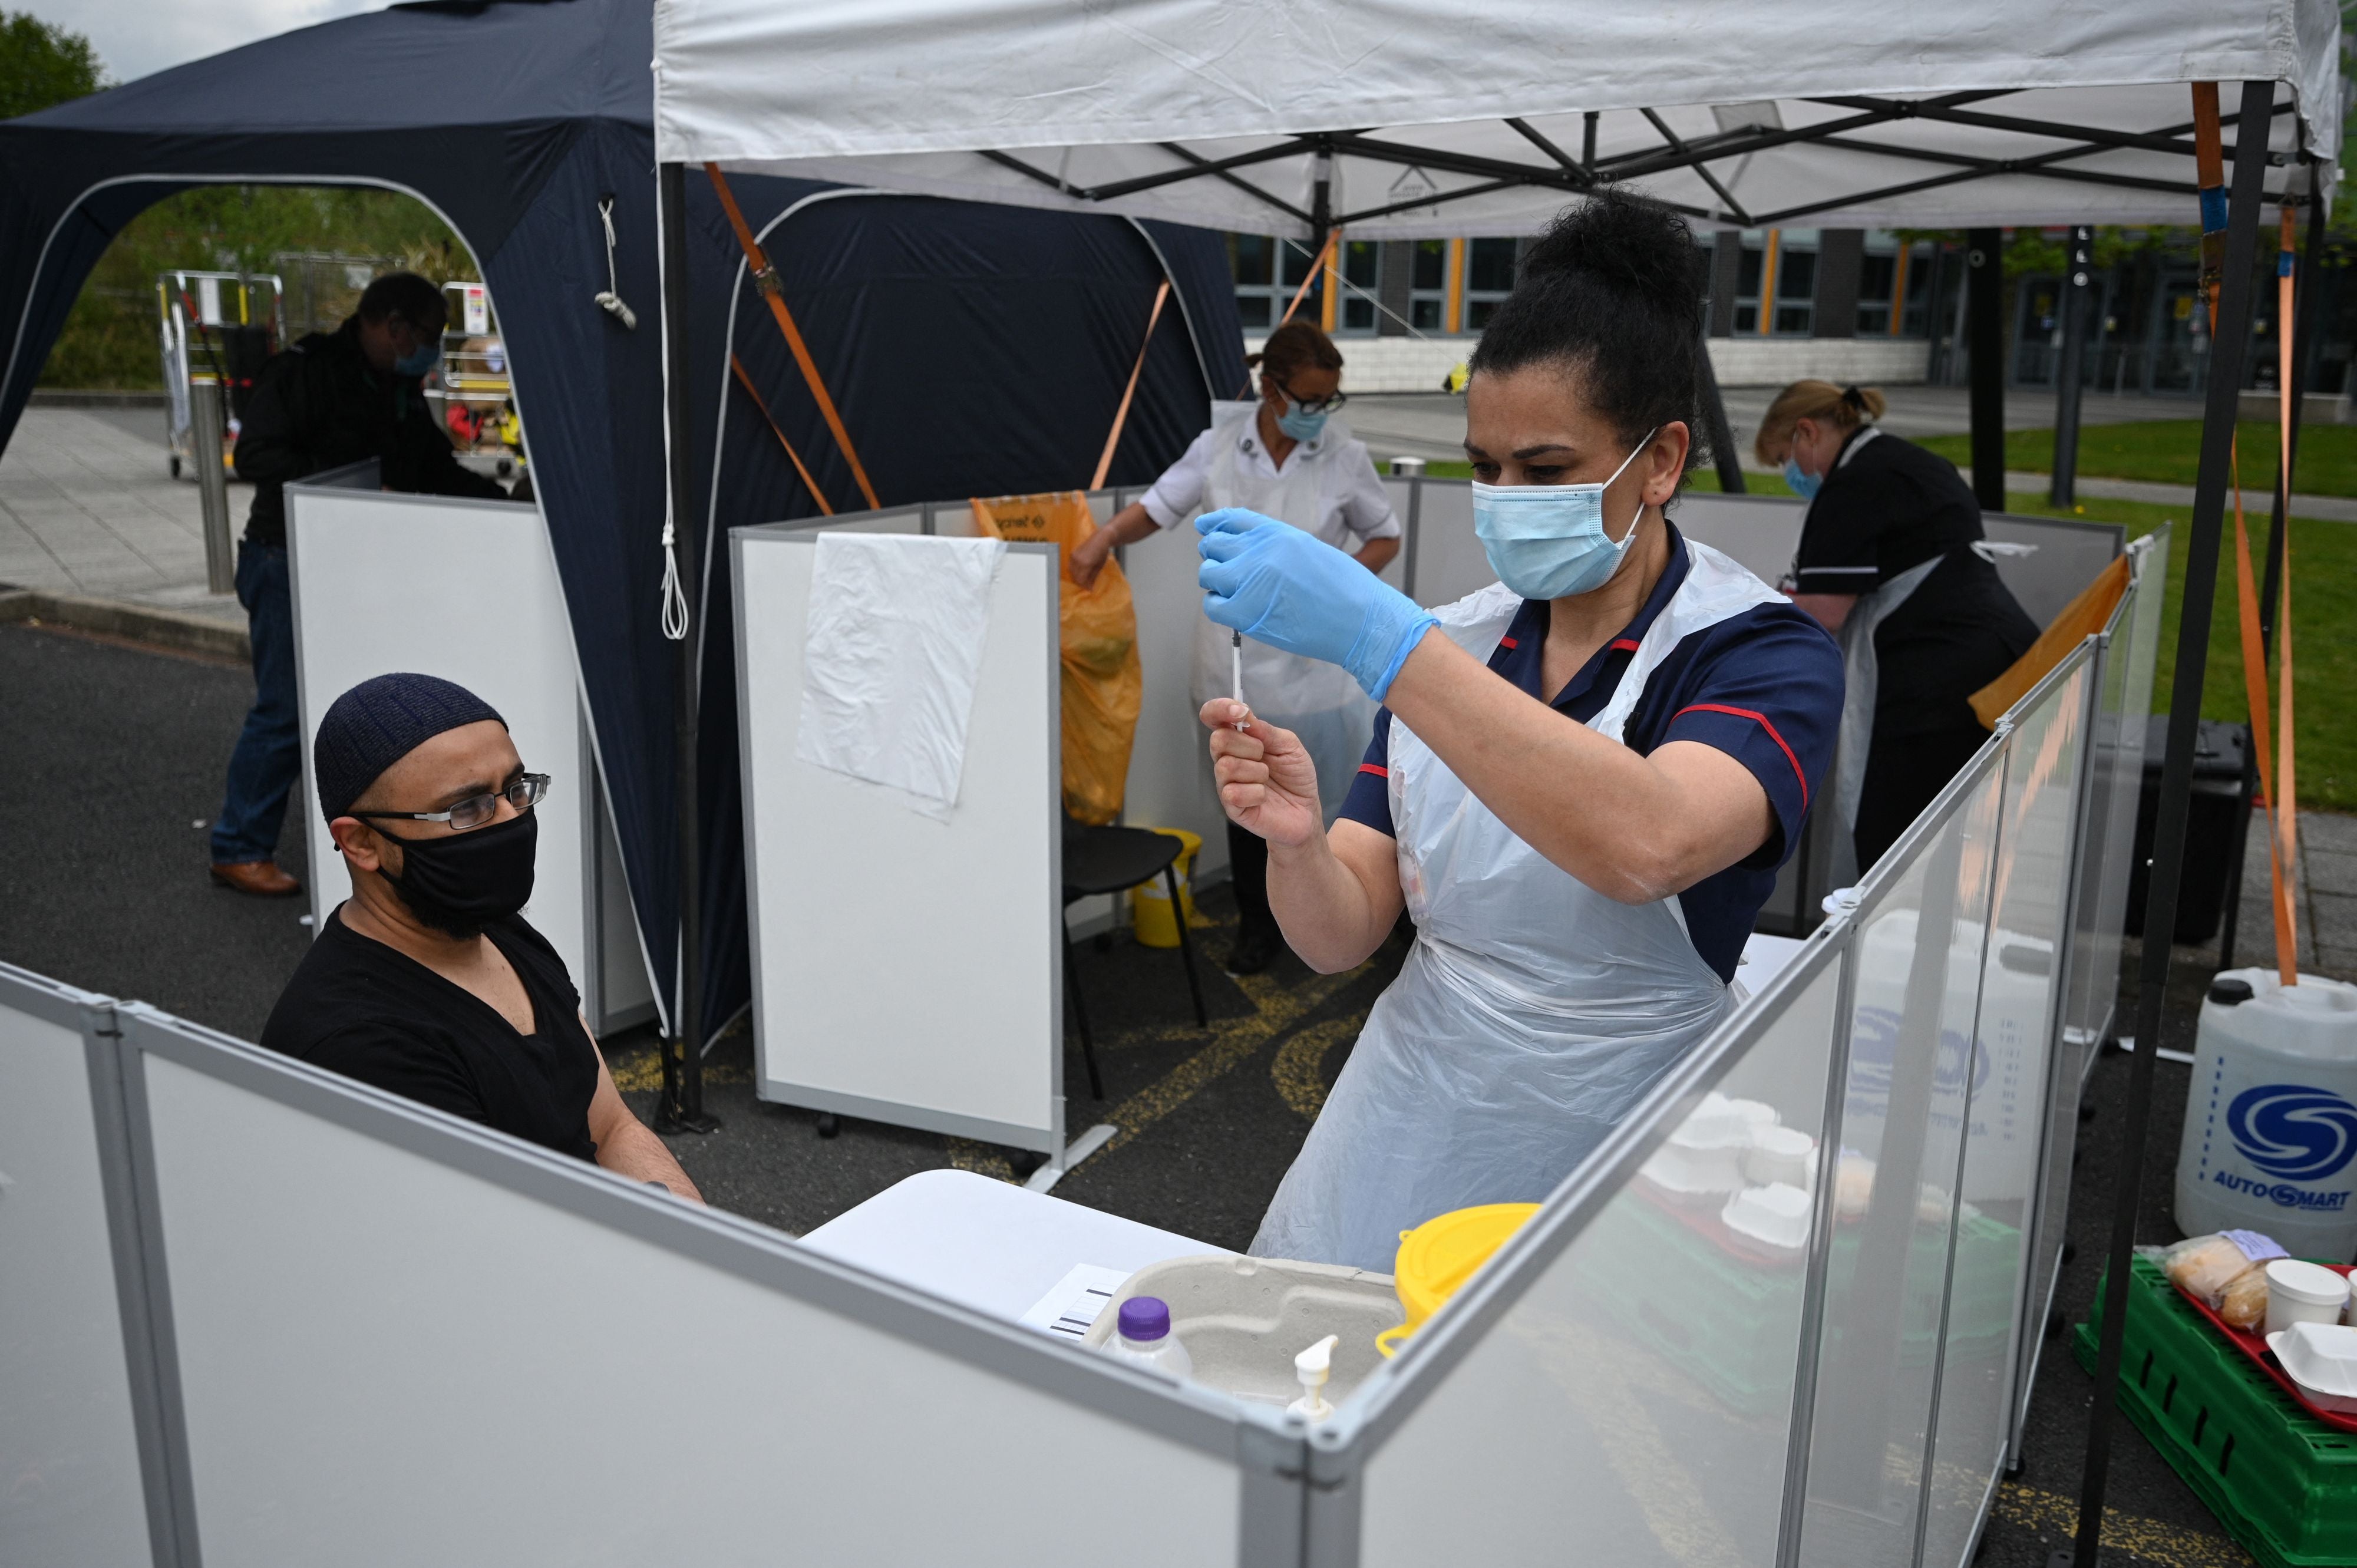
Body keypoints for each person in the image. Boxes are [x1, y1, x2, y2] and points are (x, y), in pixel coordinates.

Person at [1190, 192, 1844, 1270]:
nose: (1502, 500)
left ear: (1663, 460)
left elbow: (1651, 841)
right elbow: (1342, 935)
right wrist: (1298, 843)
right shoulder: (1458, 648)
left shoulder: (1756, 653)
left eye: (1543, 471)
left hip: (1633, 1137)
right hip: (1414, 1108)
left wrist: (1382, 645)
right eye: (1484, 468)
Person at [260, 672, 701, 1200]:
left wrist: (702, 1245)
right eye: (467, 808)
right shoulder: (359, 1045)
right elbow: (488, 1252)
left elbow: (609, 1125)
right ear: (361, 842)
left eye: (516, 788)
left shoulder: (498, 932)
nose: (513, 818)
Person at [1069, 321, 1400, 974]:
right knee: (1251, 794)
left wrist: (1340, 588)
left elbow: (1383, 536)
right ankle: (1257, 924)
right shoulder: (1217, 447)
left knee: (1331, 797)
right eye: (1307, 401)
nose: (1317, 416)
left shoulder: (1342, 456)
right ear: (1270, 390)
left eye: (1328, 402)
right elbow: (1159, 507)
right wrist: (1101, 539)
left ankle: (1350, 917)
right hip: (1234, 655)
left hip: (1314, 663)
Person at [207, 273, 513, 898]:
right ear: (394, 326)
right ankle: (239, 846)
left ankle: (368, 833)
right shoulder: (308, 370)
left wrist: (508, 503)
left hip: (363, 562)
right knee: (285, 708)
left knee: (365, 699)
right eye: (429, 337)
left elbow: (431, 466)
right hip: (286, 557)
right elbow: (256, 456)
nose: (431, 349)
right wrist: (354, 488)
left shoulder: (395, 385)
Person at [1754, 381, 2041, 870]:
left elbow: (1825, 612)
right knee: (1956, 837)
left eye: (1786, 458)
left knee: (1896, 837)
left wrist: (1757, 609)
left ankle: (1892, 938)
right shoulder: (1908, 461)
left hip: (1935, 684)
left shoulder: (1851, 486)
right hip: (1999, 654)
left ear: (1807, 432)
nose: (1792, 473)